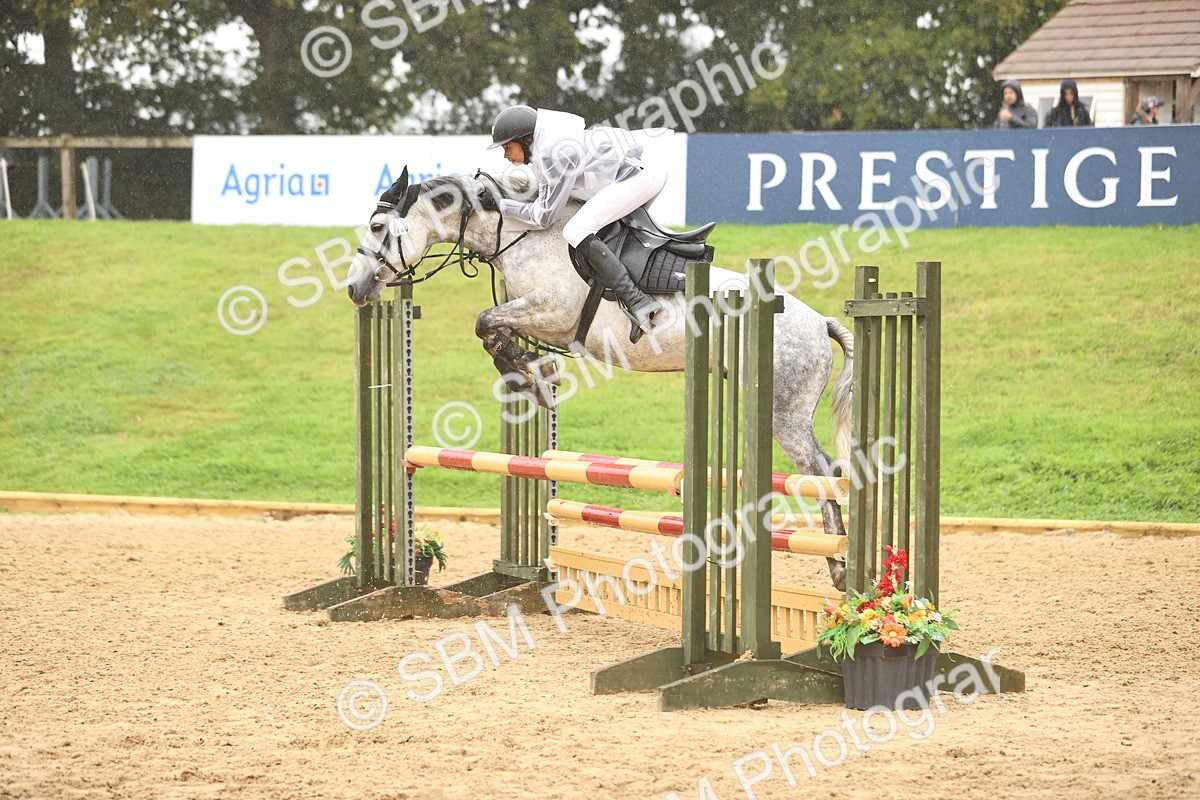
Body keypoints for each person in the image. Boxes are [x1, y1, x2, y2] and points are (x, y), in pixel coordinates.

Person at [487, 104, 665, 341]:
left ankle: (639, 302)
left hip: (641, 175)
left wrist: (500, 205)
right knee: (593, 228)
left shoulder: (553, 153)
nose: (505, 155)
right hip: (641, 169)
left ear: (525, 139)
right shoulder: (547, 147)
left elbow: (544, 216)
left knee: (576, 229)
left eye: (508, 147)